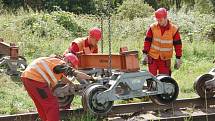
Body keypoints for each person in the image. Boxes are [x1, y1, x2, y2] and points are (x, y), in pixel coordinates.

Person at [20, 53, 94, 121]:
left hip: (27, 77)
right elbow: (75, 73)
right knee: (52, 105)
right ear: (68, 60)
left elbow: (63, 78)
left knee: (41, 105)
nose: (70, 67)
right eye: (71, 65)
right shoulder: (60, 64)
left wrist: (72, 84)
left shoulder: (54, 63)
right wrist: (91, 78)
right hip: (35, 79)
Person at [142, 8, 182, 76]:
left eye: (161, 20)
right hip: (153, 57)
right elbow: (147, 41)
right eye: (158, 20)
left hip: (165, 59)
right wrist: (145, 53)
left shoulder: (174, 29)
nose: (159, 22)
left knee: (164, 80)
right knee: (152, 79)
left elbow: (178, 45)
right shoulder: (152, 27)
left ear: (166, 18)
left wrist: (178, 58)